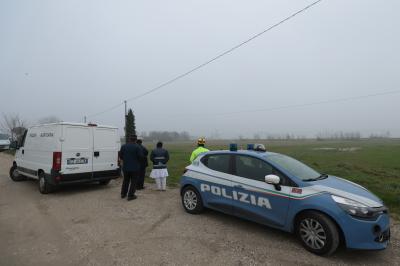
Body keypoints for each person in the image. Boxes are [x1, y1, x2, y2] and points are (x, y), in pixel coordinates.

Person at [119, 135, 143, 201]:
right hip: (135, 168)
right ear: (135, 140)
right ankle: (131, 195)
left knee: (125, 181)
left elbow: (120, 156)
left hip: (126, 167)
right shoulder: (137, 147)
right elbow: (141, 157)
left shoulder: (123, 146)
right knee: (133, 182)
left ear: (129, 139)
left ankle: (123, 194)